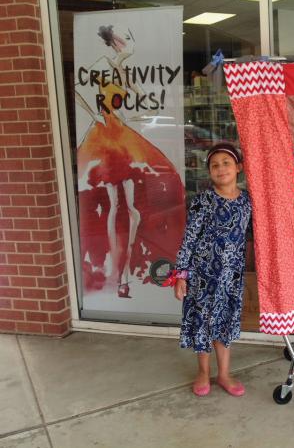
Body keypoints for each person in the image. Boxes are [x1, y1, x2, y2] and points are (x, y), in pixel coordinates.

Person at [76, 25, 185, 297]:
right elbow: (79, 92)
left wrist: (146, 107)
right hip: (106, 137)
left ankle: (123, 273)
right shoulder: (101, 66)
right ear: (115, 42)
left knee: (131, 208)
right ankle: (119, 276)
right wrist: (95, 114)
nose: (128, 47)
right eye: (126, 42)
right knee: (117, 206)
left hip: (120, 134)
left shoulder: (119, 70)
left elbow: (139, 97)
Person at [171, 144, 252, 397]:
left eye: (226, 163)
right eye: (214, 165)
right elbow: (189, 238)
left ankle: (224, 374)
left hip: (231, 277)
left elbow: (253, 234)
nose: (220, 168)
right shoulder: (203, 201)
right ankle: (204, 372)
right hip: (202, 277)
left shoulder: (248, 200)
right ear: (209, 172)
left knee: (224, 324)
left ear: (238, 167)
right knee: (203, 323)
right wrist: (181, 275)